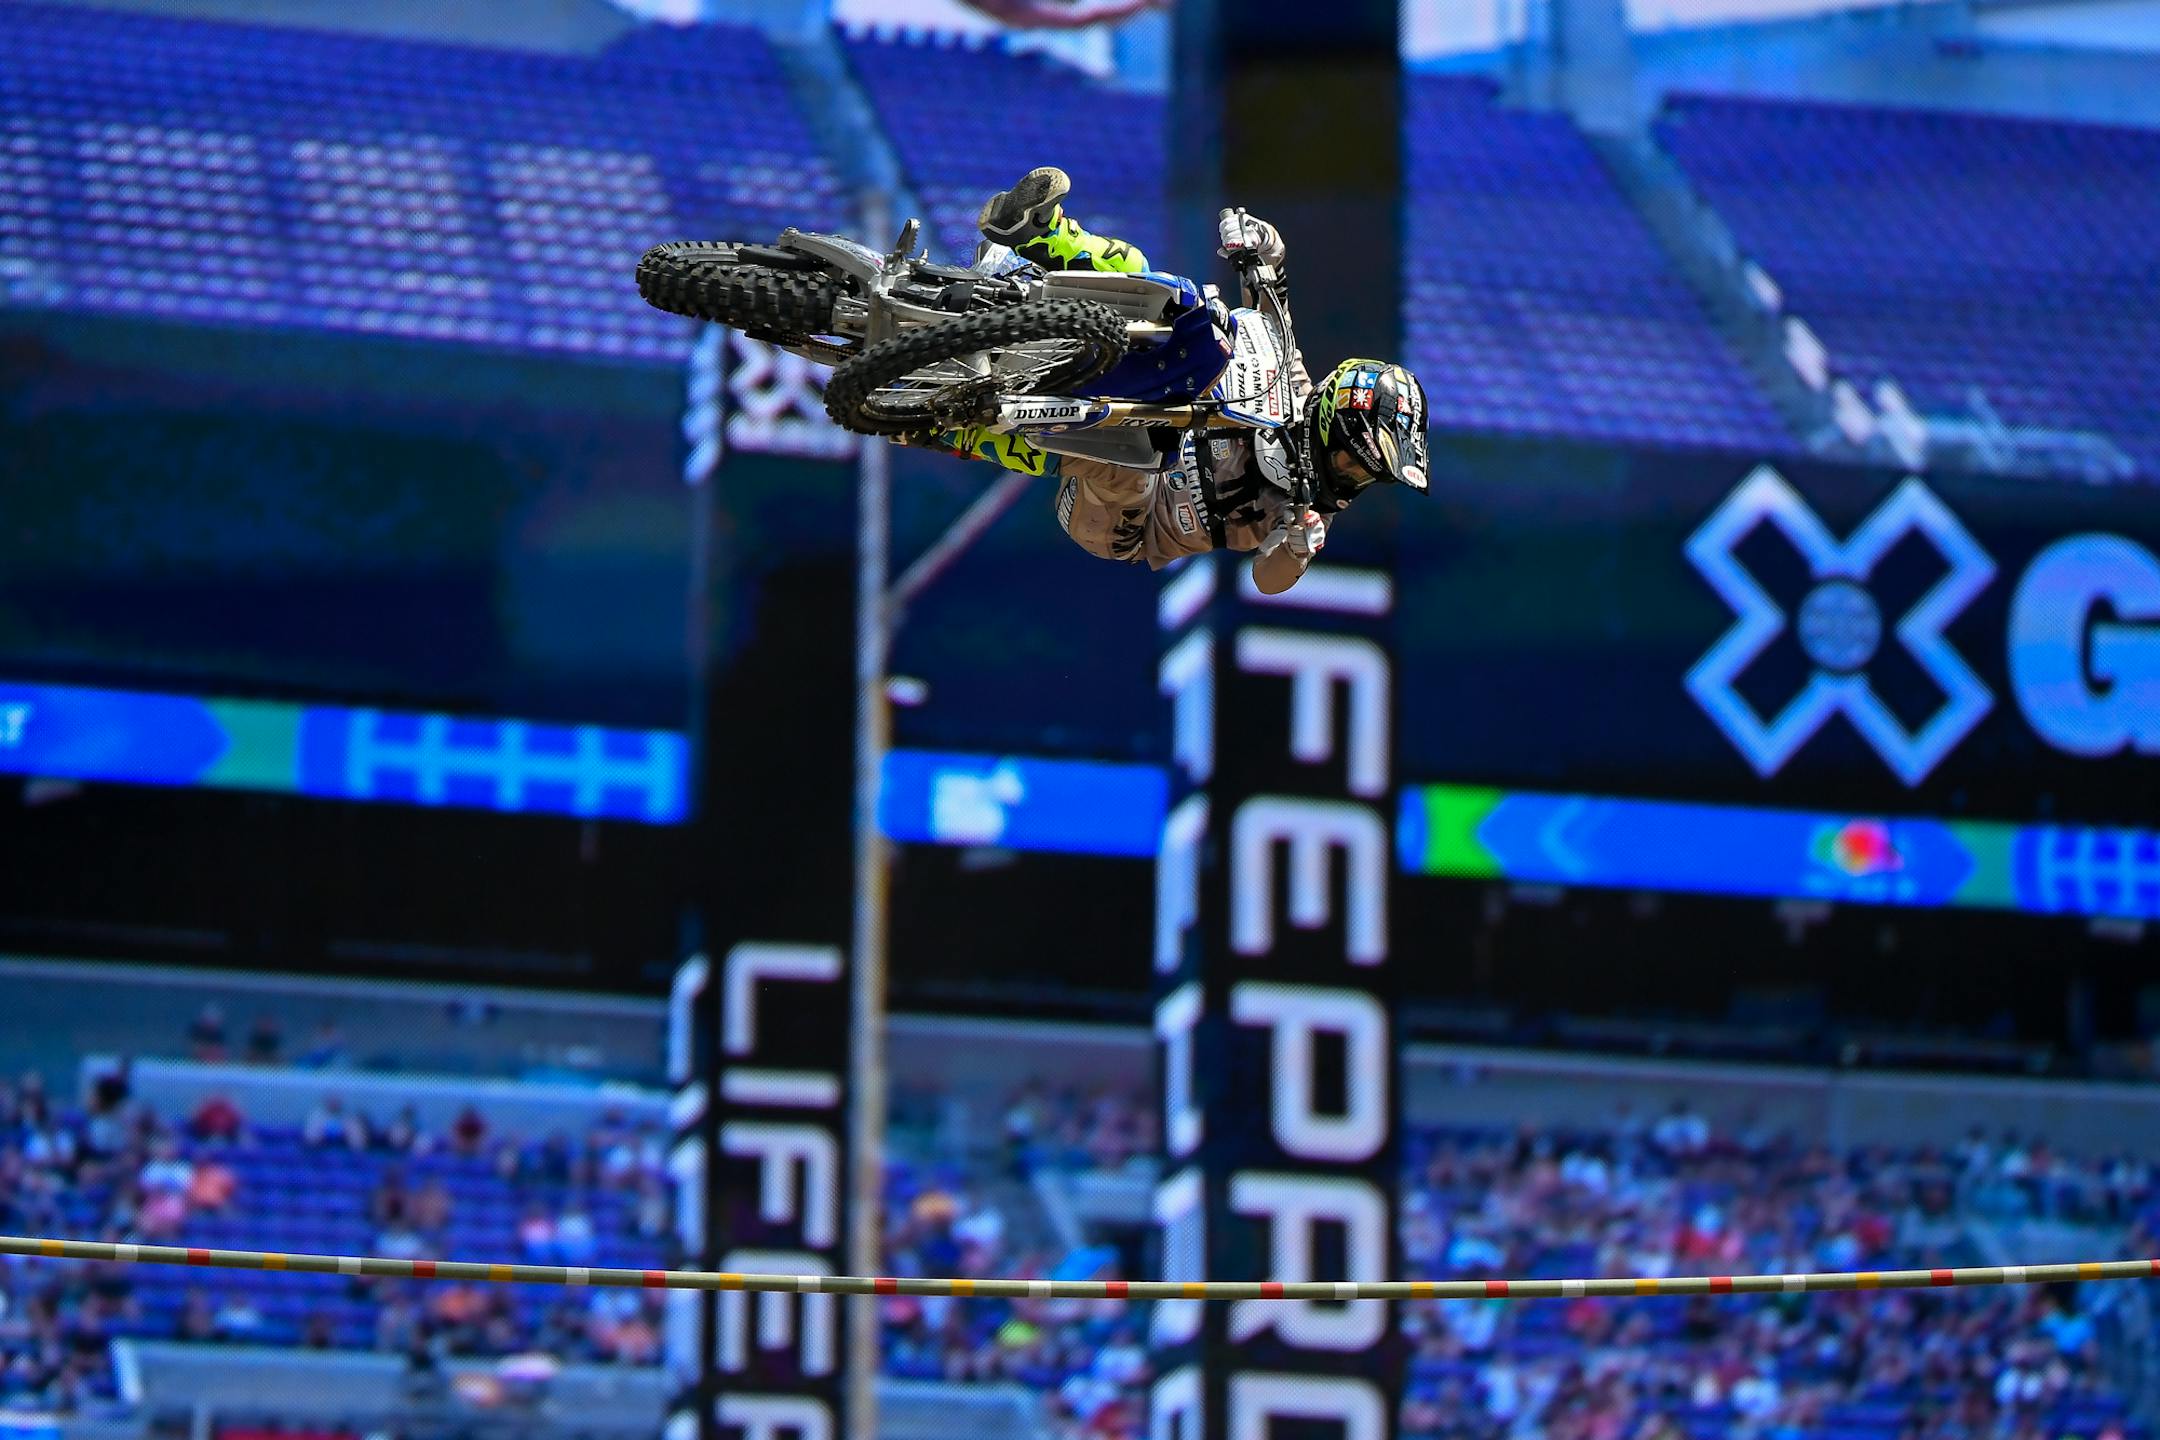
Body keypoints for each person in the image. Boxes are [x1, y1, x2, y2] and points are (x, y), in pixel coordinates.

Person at [927, 167, 1429, 595]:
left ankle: (960, 427)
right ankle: (1038, 236)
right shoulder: (1291, 377)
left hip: (1128, 522)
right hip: (1137, 400)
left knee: (1129, 458)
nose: (1352, 479)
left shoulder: (1300, 509)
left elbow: (1268, 577)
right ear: (1330, 418)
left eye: (1364, 475)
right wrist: (1254, 241)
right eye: (1353, 463)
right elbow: (1271, 283)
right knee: (1151, 281)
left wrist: (1296, 552)